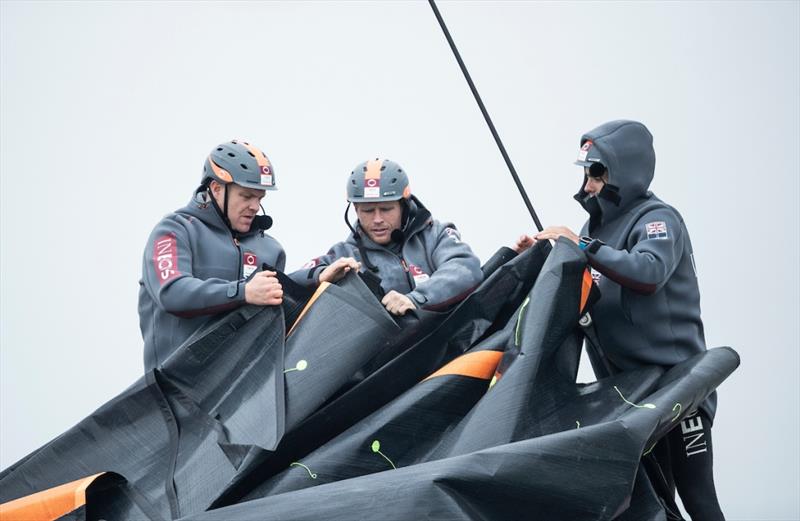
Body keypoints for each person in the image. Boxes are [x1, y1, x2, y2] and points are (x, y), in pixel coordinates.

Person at [515, 120, 724, 520]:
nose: (588, 184)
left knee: (698, 499)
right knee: (649, 507)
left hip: (680, 390)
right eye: (586, 173)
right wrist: (539, 256)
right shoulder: (592, 228)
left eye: (597, 172)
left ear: (624, 170)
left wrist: (582, 246)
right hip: (630, 398)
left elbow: (648, 272)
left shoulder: (658, 219)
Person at [139, 139, 285, 372]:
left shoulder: (271, 249)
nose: (255, 206)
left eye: (260, 198)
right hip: (175, 393)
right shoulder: (174, 230)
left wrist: (318, 277)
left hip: (238, 395)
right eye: (246, 196)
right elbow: (172, 293)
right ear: (216, 189)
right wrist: (243, 292)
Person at [291, 158, 482, 315]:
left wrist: (415, 299)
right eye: (367, 211)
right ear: (356, 210)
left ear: (404, 205)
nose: (377, 219)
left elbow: (465, 268)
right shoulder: (344, 254)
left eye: (386, 209)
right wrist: (319, 276)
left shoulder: (436, 235)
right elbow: (288, 283)